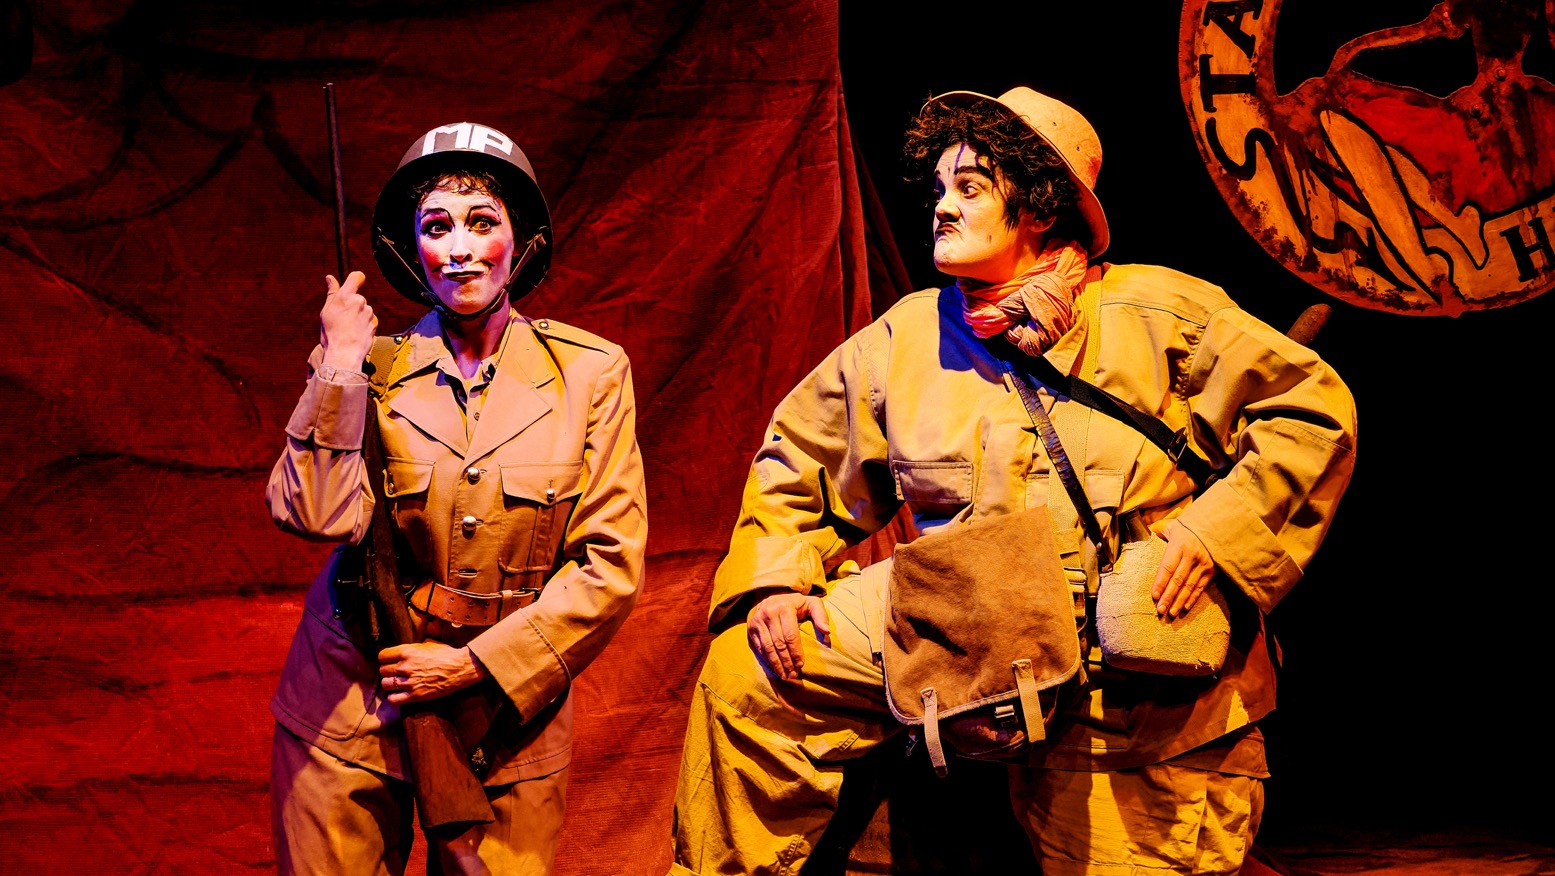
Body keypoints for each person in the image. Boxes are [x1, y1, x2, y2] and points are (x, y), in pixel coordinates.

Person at [668, 88, 1356, 875]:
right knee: (750, 673)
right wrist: (772, 583)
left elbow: (1309, 412)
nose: (942, 207)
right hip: (963, 630)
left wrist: (1213, 537)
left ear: (1038, 207)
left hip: (1119, 682)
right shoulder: (905, 339)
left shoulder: (1160, 314)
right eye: (939, 187)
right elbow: (799, 461)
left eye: (969, 187)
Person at [265, 122, 647, 875]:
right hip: (353, 691)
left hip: (508, 706)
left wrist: (473, 667)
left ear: (519, 241)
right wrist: (339, 366)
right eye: (437, 227)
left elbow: (609, 567)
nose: (460, 248)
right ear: (413, 250)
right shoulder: (366, 368)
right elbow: (312, 514)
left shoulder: (590, 374)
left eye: (482, 223)